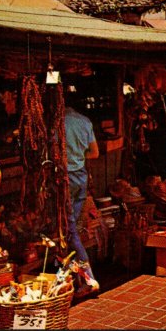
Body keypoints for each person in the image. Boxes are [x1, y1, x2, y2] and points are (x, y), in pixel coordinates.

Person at [64, 95, 101, 298]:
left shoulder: (57, 123)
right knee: (73, 228)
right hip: (81, 178)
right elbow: (94, 153)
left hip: (66, 179)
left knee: (70, 232)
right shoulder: (85, 121)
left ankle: (88, 277)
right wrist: (78, 156)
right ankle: (75, 279)